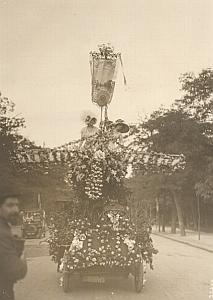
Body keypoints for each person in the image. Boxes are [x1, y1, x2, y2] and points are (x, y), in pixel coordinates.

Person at [0, 190, 27, 300]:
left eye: (17, 205)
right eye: (10, 205)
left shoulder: (5, 227)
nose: (16, 209)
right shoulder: (2, 232)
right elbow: (16, 271)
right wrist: (23, 258)